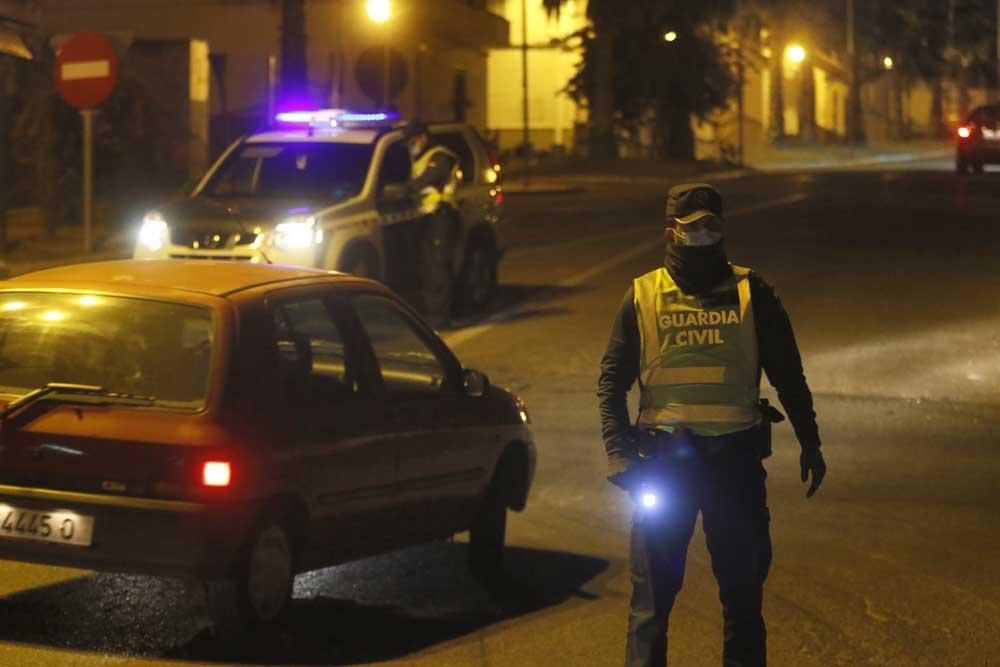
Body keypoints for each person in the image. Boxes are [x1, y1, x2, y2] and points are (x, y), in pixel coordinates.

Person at [598, 183, 827, 667]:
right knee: (650, 609)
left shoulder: (752, 291)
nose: (702, 236)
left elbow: (788, 372)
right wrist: (619, 452)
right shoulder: (643, 294)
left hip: (735, 466)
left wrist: (811, 439)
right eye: (691, 228)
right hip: (664, 469)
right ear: (670, 233)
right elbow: (611, 384)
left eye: (711, 226)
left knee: (743, 603)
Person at [402, 121, 462, 328]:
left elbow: (429, 179)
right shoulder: (420, 159)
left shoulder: (439, 157)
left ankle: (440, 318)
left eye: (412, 141)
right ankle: (432, 315)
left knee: (438, 267)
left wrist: (407, 189)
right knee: (428, 266)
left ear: (422, 138)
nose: (411, 145)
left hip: (441, 216)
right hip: (428, 218)